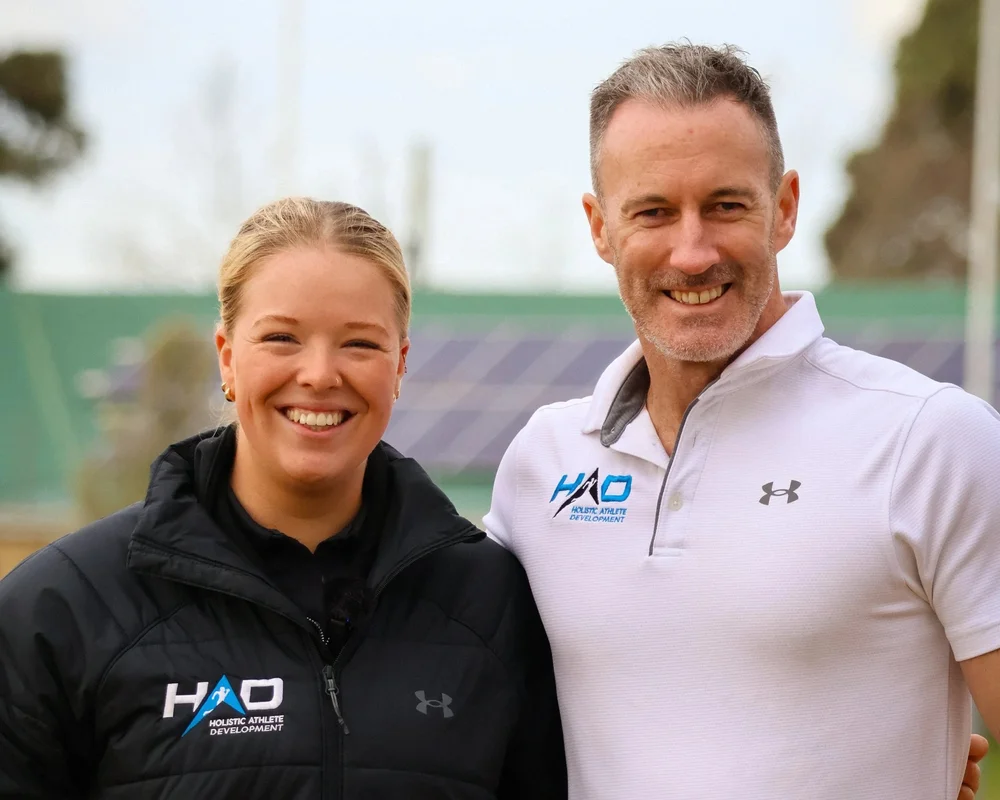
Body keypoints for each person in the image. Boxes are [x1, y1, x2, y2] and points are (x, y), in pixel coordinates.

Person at [484, 42, 1000, 800]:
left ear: (784, 208)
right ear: (599, 228)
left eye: (726, 206)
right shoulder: (541, 463)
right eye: (653, 212)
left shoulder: (933, 440)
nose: (693, 253)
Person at [0, 198, 566, 799]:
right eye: (280, 337)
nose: (320, 374)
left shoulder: (493, 605)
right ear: (227, 357)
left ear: (400, 364)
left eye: (359, 344)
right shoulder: (62, 609)